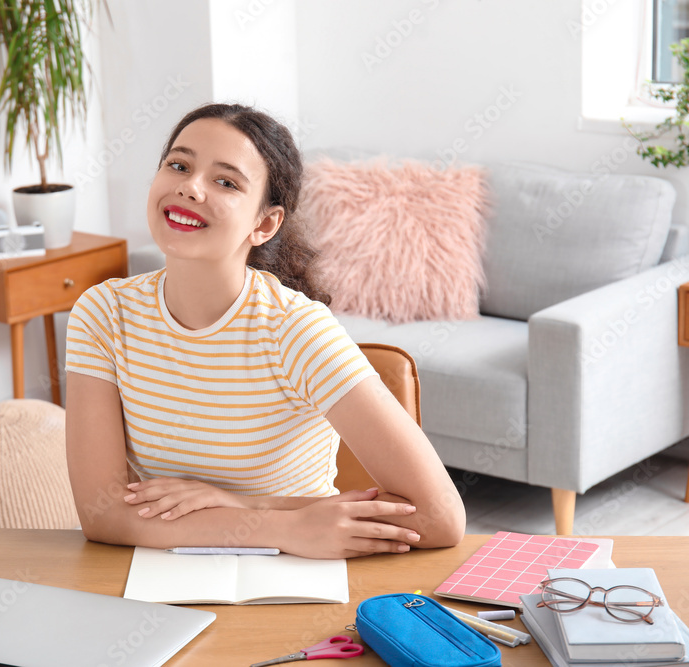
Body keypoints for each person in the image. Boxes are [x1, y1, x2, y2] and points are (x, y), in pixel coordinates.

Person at [65, 103, 465, 559]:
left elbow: (440, 518)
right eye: (178, 165)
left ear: (265, 223)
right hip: (165, 574)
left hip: (294, 577)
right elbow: (101, 515)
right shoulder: (102, 314)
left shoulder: (296, 330)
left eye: (226, 181)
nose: (190, 188)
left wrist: (251, 507)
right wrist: (282, 528)